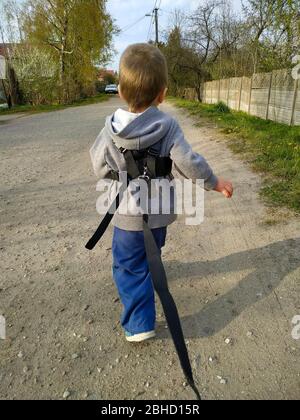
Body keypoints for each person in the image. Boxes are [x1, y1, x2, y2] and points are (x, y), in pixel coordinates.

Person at [90, 43, 233, 343]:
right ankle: (151, 268)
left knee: (128, 267)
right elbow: (188, 163)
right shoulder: (168, 127)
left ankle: (139, 324)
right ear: (163, 94)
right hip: (158, 218)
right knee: (150, 252)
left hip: (128, 218)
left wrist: (115, 175)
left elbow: (98, 165)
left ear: (120, 91)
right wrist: (214, 181)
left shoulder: (110, 130)